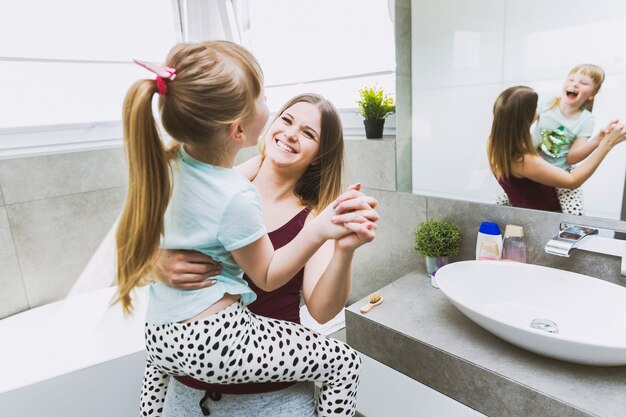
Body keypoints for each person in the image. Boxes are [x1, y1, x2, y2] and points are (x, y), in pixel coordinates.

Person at [116, 41, 377, 417]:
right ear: (243, 128)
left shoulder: (311, 214)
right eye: (285, 118)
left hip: (264, 397)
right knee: (345, 363)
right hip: (192, 390)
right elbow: (133, 242)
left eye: (308, 133)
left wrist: (343, 248)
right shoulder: (231, 187)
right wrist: (153, 263)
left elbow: (321, 312)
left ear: (320, 153)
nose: (289, 133)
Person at [487, 85, 626, 212]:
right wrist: (607, 144)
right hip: (548, 221)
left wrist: (598, 139)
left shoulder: (494, 143)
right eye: (535, 107)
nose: (539, 110)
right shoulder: (522, 159)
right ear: (526, 117)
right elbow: (572, 181)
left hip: (526, 216)